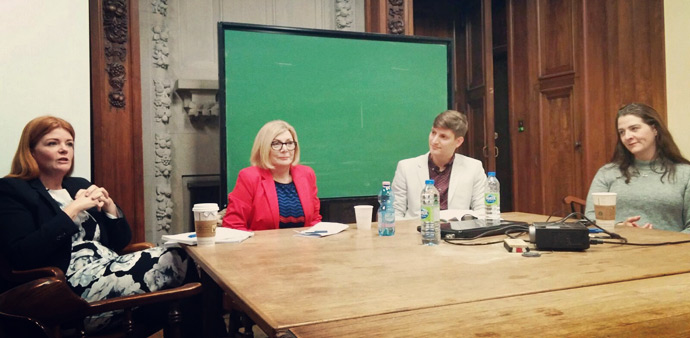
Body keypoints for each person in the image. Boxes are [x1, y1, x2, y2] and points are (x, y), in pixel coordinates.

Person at [0, 116, 191, 333]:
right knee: (176, 260)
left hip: (109, 269)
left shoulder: (79, 185)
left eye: (69, 143)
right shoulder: (13, 190)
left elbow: (121, 242)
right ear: (31, 151)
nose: (64, 150)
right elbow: (21, 255)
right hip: (65, 288)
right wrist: (73, 209)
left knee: (187, 271)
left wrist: (110, 208)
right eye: (53, 143)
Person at [585, 103, 690, 232]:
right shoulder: (607, 173)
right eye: (622, 132)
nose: (627, 137)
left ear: (655, 129)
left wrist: (664, 241)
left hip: (670, 250)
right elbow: (590, 218)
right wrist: (620, 227)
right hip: (616, 248)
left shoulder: (685, 174)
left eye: (634, 128)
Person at [222, 120, 322, 231]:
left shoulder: (306, 174)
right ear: (264, 148)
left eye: (289, 143)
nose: (284, 149)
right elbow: (233, 226)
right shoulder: (249, 177)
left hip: (303, 246)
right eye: (276, 144)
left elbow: (314, 220)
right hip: (261, 247)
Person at [392, 110, 487, 219]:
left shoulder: (473, 167)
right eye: (433, 133)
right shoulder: (406, 167)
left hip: (458, 232)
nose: (434, 141)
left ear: (458, 142)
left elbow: (482, 210)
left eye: (443, 137)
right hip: (417, 232)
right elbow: (395, 212)